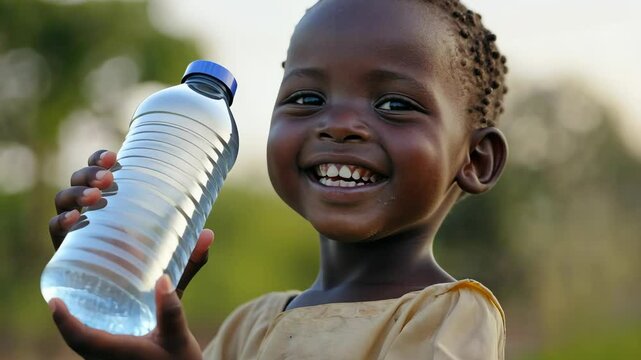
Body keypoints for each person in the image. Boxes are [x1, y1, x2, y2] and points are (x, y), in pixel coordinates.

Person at [47, 0, 510, 358]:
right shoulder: (249, 325)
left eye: (394, 104)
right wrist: (134, 292)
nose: (339, 124)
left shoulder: (450, 315)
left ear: (476, 159)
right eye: (307, 97)